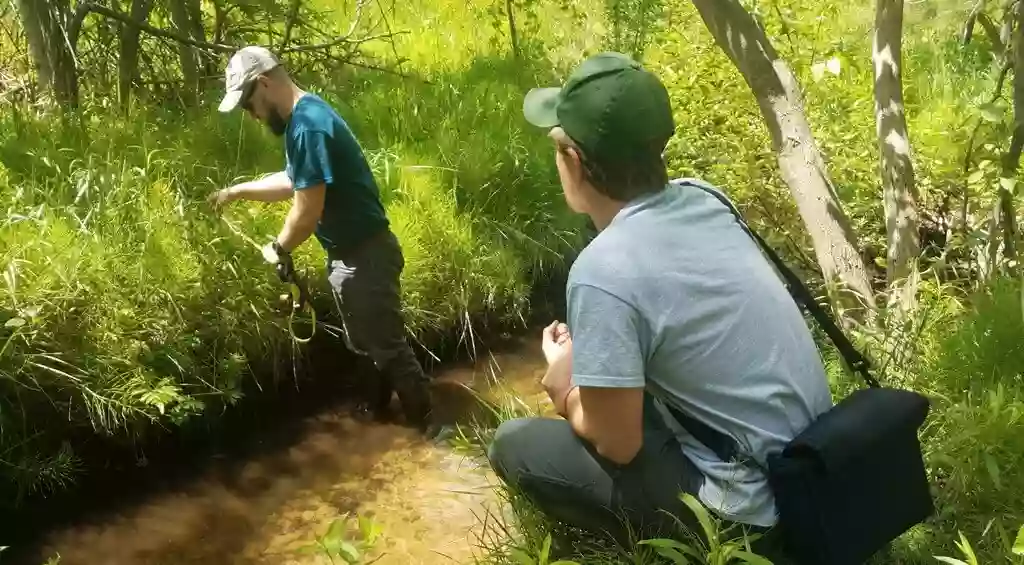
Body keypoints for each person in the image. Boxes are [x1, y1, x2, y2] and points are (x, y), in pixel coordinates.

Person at [486, 51, 834, 554]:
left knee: (514, 445)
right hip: (812, 469)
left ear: (575, 163)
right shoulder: (705, 197)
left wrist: (565, 385)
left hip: (753, 520)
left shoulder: (601, 269)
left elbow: (618, 444)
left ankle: (647, 547)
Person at [208, 46, 434, 433]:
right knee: (365, 346)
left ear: (264, 82)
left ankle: (430, 430)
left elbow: (307, 210)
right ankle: (377, 417)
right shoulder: (304, 118)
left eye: (250, 105)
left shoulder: (307, 125)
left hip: (366, 258)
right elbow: (296, 180)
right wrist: (237, 191)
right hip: (352, 257)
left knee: (388, 349)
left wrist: (279, 247)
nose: (253, 115)